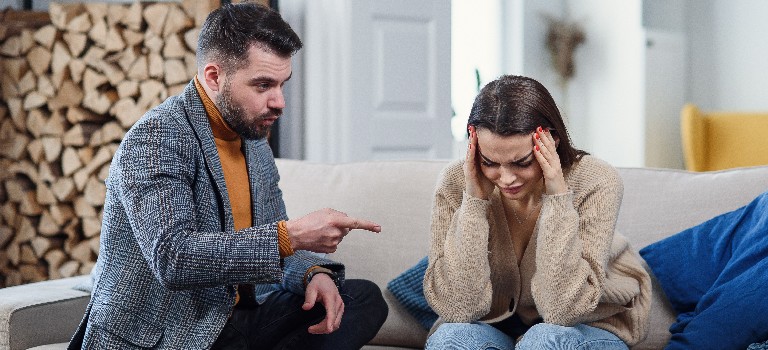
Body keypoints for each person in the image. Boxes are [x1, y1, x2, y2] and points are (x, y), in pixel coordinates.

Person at [68, 3, 388, 349]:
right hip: (174, 330)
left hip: (234, 318)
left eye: (282, 84)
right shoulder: (158, 137)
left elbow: (276, 243)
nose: (279, 101)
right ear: (214, 77)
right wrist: (292, 235)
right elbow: (174, 258)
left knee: (362, 299)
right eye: (263, 85)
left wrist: (315, 273)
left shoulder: (252, 138)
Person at [422, 75, 651, 350]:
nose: (506, 178)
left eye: (522, 162)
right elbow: (457, 309)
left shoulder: (596, 180)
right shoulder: (456, 182)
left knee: (543, 341)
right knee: (450, 340)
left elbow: (562, 311)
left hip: (586, 326)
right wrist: (473, 201)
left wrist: (557, 197)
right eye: (490, 162)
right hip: (495, 325)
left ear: (551, 140)